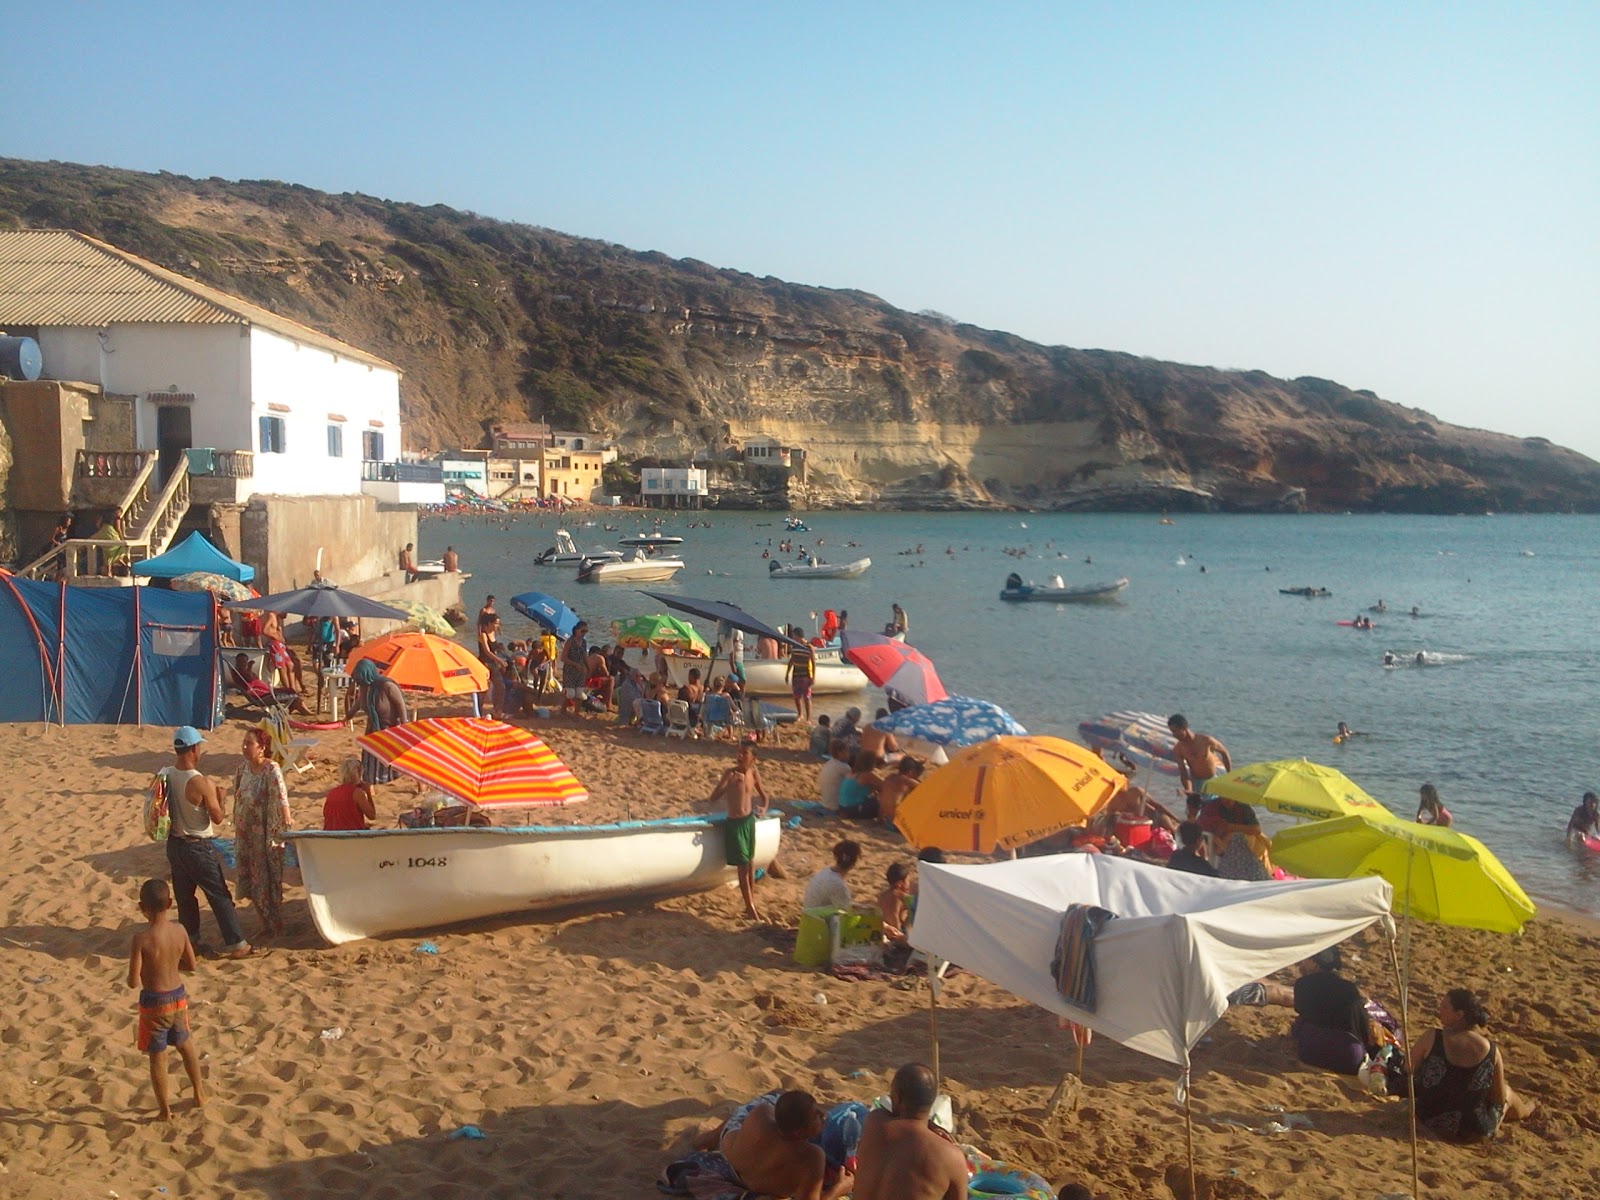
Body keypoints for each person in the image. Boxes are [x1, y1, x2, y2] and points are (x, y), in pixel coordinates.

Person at [160, 727, 252, 959]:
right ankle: (237, 943)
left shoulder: (166, 773)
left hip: (176, 843)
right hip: (196, 845)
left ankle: (190, 940)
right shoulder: (200, 782)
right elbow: (218, 817)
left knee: (185, 896)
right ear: (192, 749)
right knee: (218, 895)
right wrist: (221, 799)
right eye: (199, 746)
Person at [1405, 987, 1536, 1142]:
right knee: (1507, 1093)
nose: (1440, 1009)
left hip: (1427, 1118)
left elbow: (1408, 1068)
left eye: (1445, 1007)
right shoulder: (1491, 1050)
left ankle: (1528, 1108)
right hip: (1471, 1131)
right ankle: (1529, 1108)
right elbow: (1498, 1099)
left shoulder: (1432, 1037)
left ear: (1459, 1015)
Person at [126, 878, 205, 1120]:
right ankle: (199, 1093)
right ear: (170, 903)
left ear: (142, 907)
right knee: (185, 1044)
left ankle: (165, 1110)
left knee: (158, 1056)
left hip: (154, 1003)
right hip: (178, 997)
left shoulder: (141, 939)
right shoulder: (180, 930)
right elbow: (191, 965)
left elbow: (132, 981)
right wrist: (171, 962)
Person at [852, 1062, 968, 1200]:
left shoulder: (874, 1121)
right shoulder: (951, 1157)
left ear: (897, 1097)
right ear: (932, 1102)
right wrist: (932, 1127)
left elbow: (886, 1112)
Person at [717, 1090, 856, 1200]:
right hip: (760, 1184)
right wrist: (839, 1189)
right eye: (816, 1115)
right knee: (778, 1094)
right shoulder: (812, 1157)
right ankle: (708, 1137)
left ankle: (708, 1138)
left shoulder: (762, 1113)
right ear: (799, 1132)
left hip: (729, 1155)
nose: (823, 1115)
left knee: (774, 1097)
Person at [232, 726, 292, 940]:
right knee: (251, 878)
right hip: (245, 832)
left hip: (265, 831)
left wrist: (286, 816)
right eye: (244, 743)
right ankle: (263, 923)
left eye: (249, 743)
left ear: (262, 748)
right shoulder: (242, 769)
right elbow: (237, 794)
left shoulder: (271, 768)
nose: (245, 747)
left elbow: (281, 794)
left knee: (267, 879)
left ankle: (275, 923)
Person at [1292, 946, 1389, 1073]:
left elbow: (1301, 1009)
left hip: (1310, 1051)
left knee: (1300, 1023)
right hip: (1349, 1057)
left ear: (1314, 963)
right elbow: (1361, 1027)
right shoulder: (1349, 989)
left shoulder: (1302, 984)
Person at [710, 744, 770, 920]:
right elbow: (713, 798)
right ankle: (750, 908)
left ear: (753, 758)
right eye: (739, 752)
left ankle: (750, 904)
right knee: (742, 866)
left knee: (750, 864)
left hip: (748, 822)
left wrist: (764, 809)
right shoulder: (730, 773)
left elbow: (765, 796)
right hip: (735, 824)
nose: (740, 756)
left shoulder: (753, 774)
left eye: (745, 753)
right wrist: (728, 784)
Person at [352, 659, 408, 786]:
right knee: (371, 758)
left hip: (390, 728)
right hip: (373, 728)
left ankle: (419, 784)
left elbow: (401, 706)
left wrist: (404, 727)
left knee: (395, 758)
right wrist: (348, 716)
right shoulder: (366, 687)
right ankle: (371, 783)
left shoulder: (387, 686)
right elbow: (359, 703)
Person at [1166, 714, 1231, 799]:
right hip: (1196, 783)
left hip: (1212, 781)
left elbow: (1224, 752)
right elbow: (1183, 772)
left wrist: (1230, 775)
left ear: (1184, 728)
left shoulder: (1206, 741)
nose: (1174, 735)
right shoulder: (1178, 749)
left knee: (1215, 808)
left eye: (1175, 731)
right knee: (1193, 810)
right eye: (1172, 732)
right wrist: (1188, 789)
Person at [230, 653, 308, 714]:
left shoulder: (244, 671)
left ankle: (295, 706)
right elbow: (249, 678)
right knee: (292, 695)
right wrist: (250, 667)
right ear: (237, 662)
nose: (243, 663)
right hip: (262, 696)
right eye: (240, 662)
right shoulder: (240, 673)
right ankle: (305, 711)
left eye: (244, 661)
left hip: (266, 693)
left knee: (290, 691)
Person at [803, 840, 862, 910]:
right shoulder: (837, 883)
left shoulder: (825, 872)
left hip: (809, 915)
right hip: (821, 919)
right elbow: (846, 909)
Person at [323, 756, 376, 831]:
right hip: (351, 835)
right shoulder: (357, 793)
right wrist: (368, 793)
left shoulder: (332, 792)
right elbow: (372, 816)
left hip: (331, 834)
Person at [876, 756, 924, 825]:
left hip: (884, 819)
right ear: (910, 771)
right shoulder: (906, 780)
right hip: (895, 823)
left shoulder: (890, 777)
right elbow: (925, 789)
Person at [837, 751, 883, 821]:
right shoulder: (866, 775)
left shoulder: (851, 773)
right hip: (853, 810)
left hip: (842, 809)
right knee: (881, 799)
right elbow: (884, 787)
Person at [786, 628, 817, 723]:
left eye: (794, 635)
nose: (793, 637)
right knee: (796, 696)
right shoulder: (794, 646)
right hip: (796, 674)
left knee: (806, 697)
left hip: (806, 675)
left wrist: (813, 677)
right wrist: (787, 673)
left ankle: (808, 718)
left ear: (797, 635)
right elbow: (792, 660)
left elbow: (813, 662)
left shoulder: (809, 647)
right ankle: (800, 715)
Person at [561, 621, 591, 715]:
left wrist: (588, 668)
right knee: (570, 693)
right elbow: (563, 657)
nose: (584, 633)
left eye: (586, 631)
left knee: (579, 693)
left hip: (580, 670)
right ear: (577, 630)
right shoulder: (570, 641)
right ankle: (563, 709)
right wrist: (574, 664)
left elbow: (585, 656)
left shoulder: (584, 642)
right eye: (582, 631)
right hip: (570, 670)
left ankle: (576, 712)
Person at [878, 862, 912, 942]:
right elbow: (916, 907)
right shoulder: (900, 895)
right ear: (900, 884)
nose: (909, 884)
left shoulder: (882, 895)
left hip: (883, 931)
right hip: (896, 934)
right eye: (908, 881)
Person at [818, 739, 853, 813]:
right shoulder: (844, 767)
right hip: (836, 806)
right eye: (847, 752)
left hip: (826, 803)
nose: (848, 754)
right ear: (840, 753)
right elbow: (854, 781)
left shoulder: (829, 763)